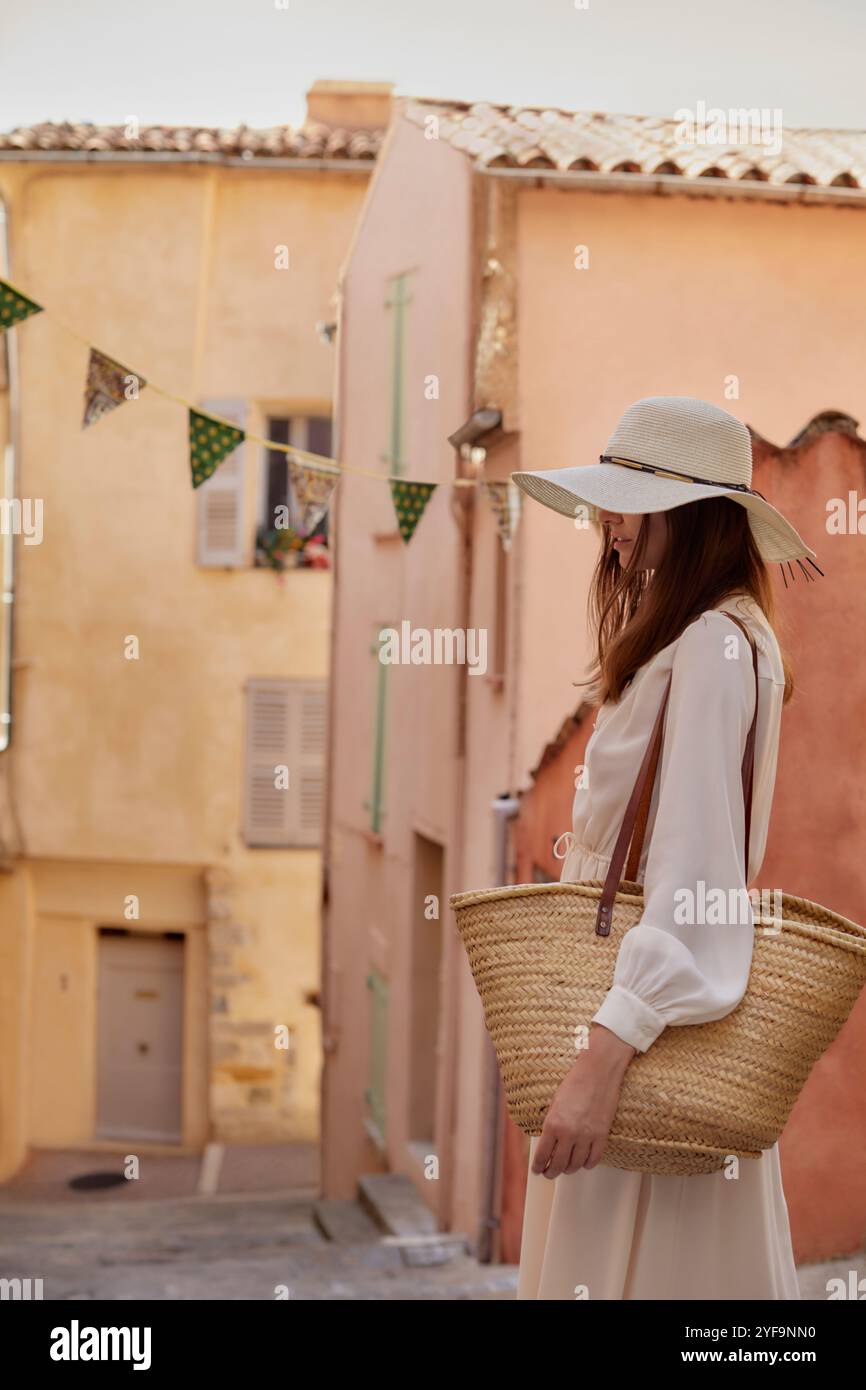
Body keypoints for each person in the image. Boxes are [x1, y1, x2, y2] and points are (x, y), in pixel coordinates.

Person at [509, 396, 819, 1300]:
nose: (606, 523)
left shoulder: (713, 649)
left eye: (626, 502)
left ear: (691, 519)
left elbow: (695, 883)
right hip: (644, 1036)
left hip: (647, 1051)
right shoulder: (714, 639)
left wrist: (605, 1058)